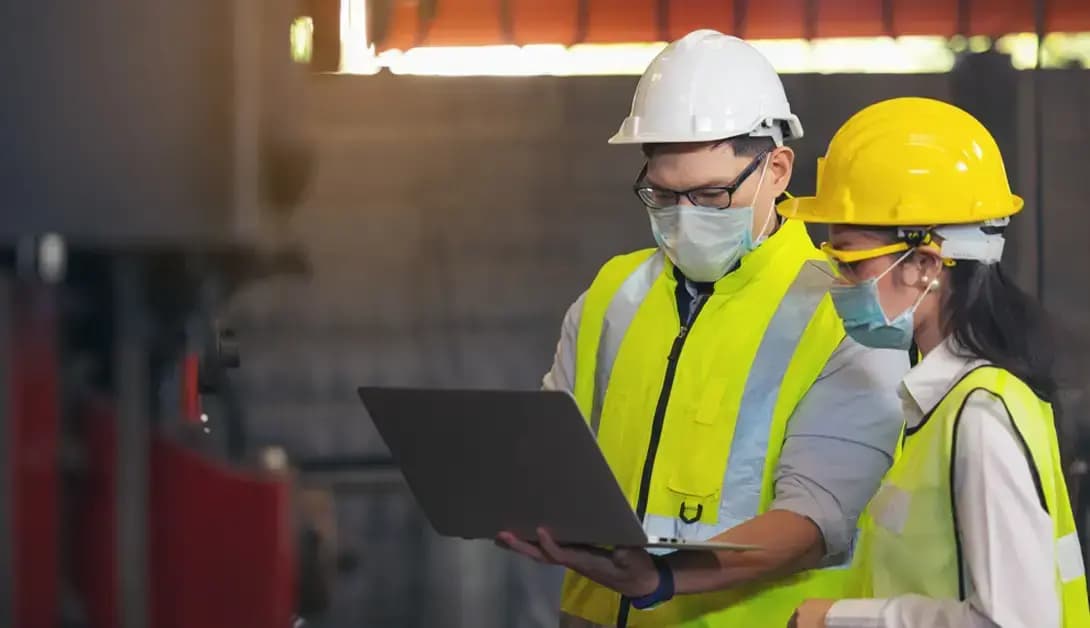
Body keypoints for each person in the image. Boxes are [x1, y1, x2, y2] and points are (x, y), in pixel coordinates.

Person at [496, 30, 909, 627]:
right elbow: (556, 452)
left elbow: (819, 519)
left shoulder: (842, 309)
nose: (684, 217)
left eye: (712, 194)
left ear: (776, 169)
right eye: (661, 195)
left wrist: (663, 578)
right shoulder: (614, 293)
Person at [781, 97, 1090, 628]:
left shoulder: (979, 418)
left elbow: (1015, 621)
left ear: (925, 264)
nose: (839, 287)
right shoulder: (941, 407)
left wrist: (838, 619)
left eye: (851, 263)